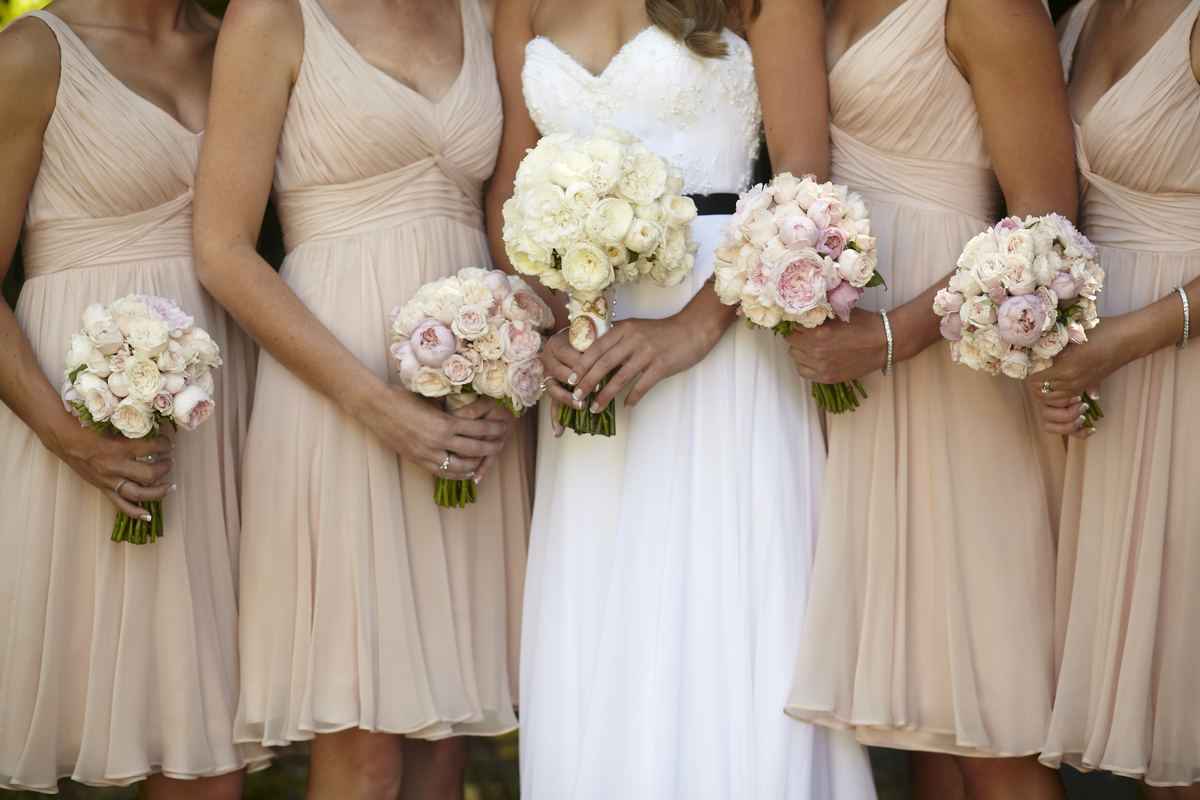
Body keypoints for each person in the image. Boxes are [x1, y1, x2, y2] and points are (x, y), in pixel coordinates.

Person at [487, 0, 877, 797]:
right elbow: (507, 191)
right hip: (595, 351)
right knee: (604, 618)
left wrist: (697, 328)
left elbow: (802, 176)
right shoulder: (518, 5)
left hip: (728, 330)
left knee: (728, 613)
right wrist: (559, 318)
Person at [193, 0, 529, 797]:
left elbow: (511, 215)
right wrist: (378, 405)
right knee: (365, 745)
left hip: (473, 398)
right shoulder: (272, 16)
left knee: (444, 738)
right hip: (335, 397)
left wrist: (513, 372)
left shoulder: (484, 11)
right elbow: (222, 249)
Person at [784, 1, 1077, 798]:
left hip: (954, 360)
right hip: (857, 373)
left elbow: (1046, 220)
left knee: (989, 716)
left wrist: (893, 337)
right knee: (923, 720)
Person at [0, 1, 264, 795]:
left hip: (219, 415)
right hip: (77, 416)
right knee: (100, 708)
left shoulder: (236, 42)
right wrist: (69, 436)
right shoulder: (32, 55)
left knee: (204, 741)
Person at [1035, 2, 1200, 795]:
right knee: (1153, 695)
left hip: (1181, 373)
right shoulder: (1084, 15)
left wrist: (1126, 340)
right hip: (1111, 384)